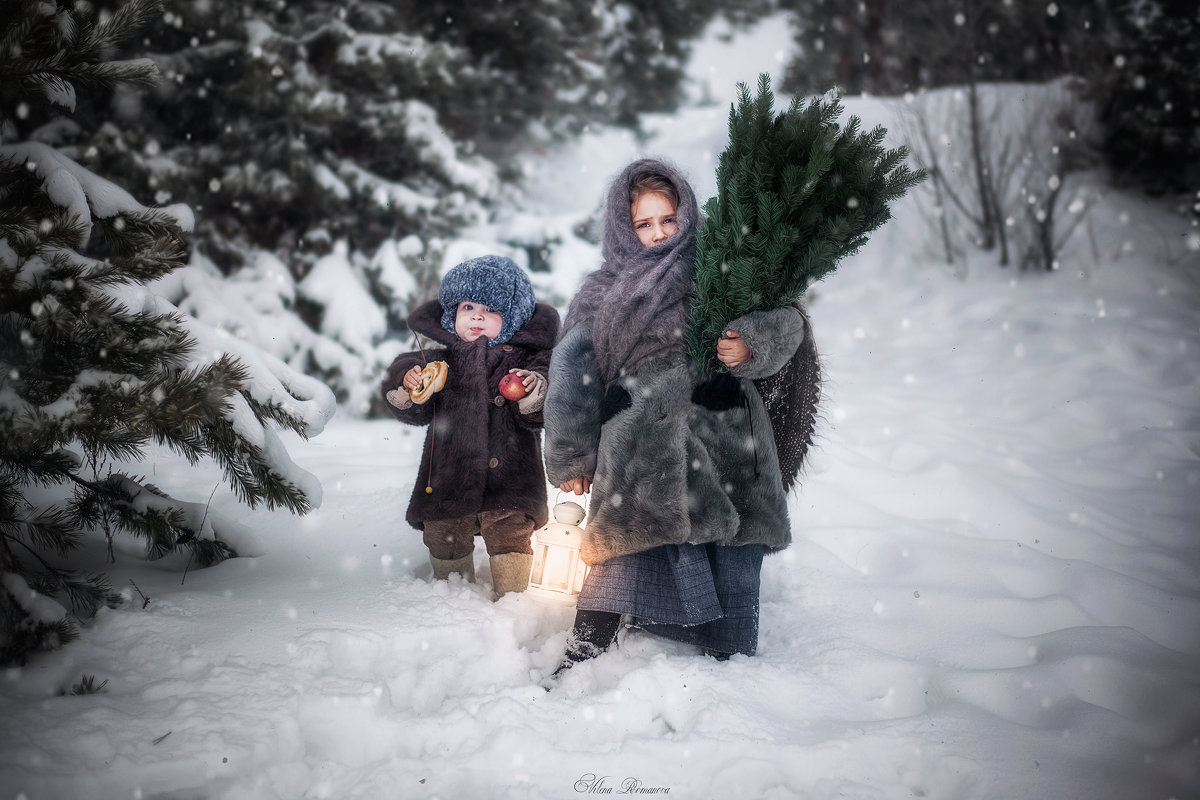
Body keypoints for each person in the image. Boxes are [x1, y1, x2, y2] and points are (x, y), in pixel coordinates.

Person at [542, 158, 820, 672]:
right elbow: (571, 378)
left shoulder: (719, 272)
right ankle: (591, 640)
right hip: (638, 438)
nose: (657, 234)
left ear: (687, 216)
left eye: (667, 220)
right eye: (643, 224)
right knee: (624, 538)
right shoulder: (601, 294)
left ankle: (726, 645)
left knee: (729, 537)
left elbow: (785, 321)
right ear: (623, 228)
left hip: (723, 428)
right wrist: (572, 455)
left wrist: (750, 344)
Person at [381, 255, 560, 599]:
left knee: (509, 532)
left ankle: (513, 599)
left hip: (511, 476)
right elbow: (413, 403)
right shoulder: (440, 360)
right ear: (452, 315)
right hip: (448, 475)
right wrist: (408, 380)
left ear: (513, 318)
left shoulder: (527, 361)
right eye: (468, 306)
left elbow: (544, 401)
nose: (477, 315)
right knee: (444, 533)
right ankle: (452, 598)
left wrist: (534, 388)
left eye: (491, 309)